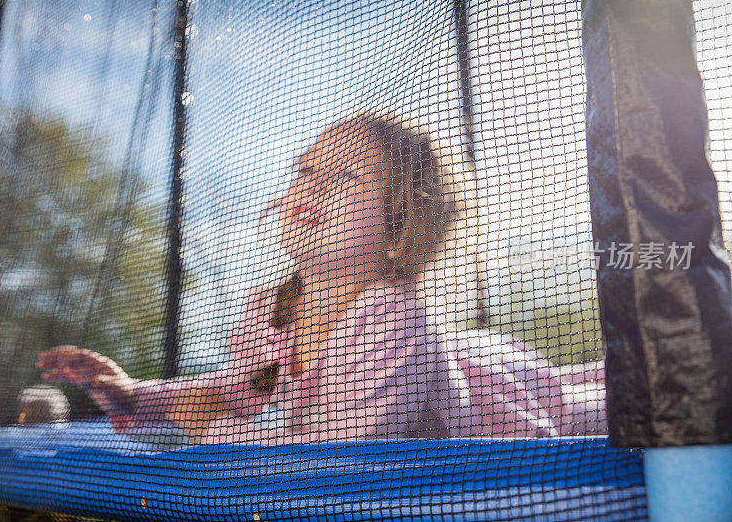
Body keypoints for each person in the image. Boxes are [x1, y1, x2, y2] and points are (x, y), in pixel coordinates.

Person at [36, 112, 606, 444]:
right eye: (306, 171)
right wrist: (136, 394)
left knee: (595, 403)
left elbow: (352, 454)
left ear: (398, 230)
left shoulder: (391, 315)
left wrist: (218, 434)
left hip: (497, 407)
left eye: (344, 178)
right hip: (459, 364)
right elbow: (230, 395)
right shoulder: (272, 313)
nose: (311, 187)